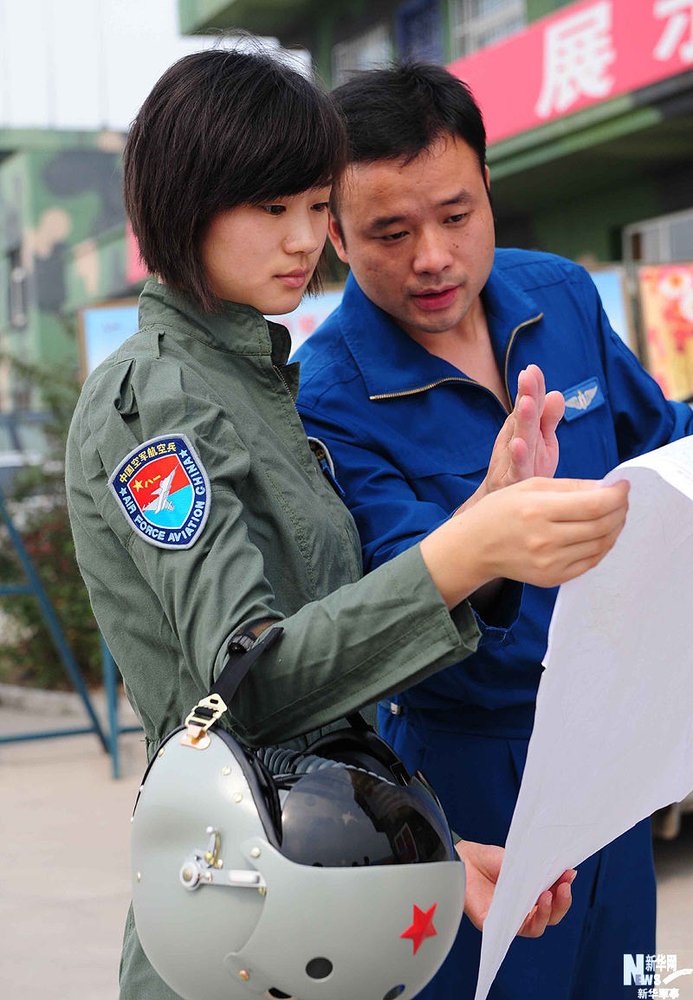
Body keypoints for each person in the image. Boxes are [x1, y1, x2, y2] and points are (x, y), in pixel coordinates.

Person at [65, 50, 629, 1000]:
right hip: (232, 917)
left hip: (317, 887)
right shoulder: (155, 400)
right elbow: (248, 684)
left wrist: (431, 849)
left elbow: (333, 688)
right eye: (270, 209)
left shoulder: (254, 385)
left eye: (316, 207)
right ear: (182, 203)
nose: (304, 240)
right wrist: (461, 554)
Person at [295, 62, 693, 1000]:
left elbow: (655, 438)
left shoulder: (557, 294)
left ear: (487, 190)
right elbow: (394, 602)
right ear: (337, 238)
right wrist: (487, 522)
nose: (432, 256)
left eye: (456, 214)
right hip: (469, 773)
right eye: (390, 232)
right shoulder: (328, 396)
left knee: (632, 978)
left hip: (610, 743)